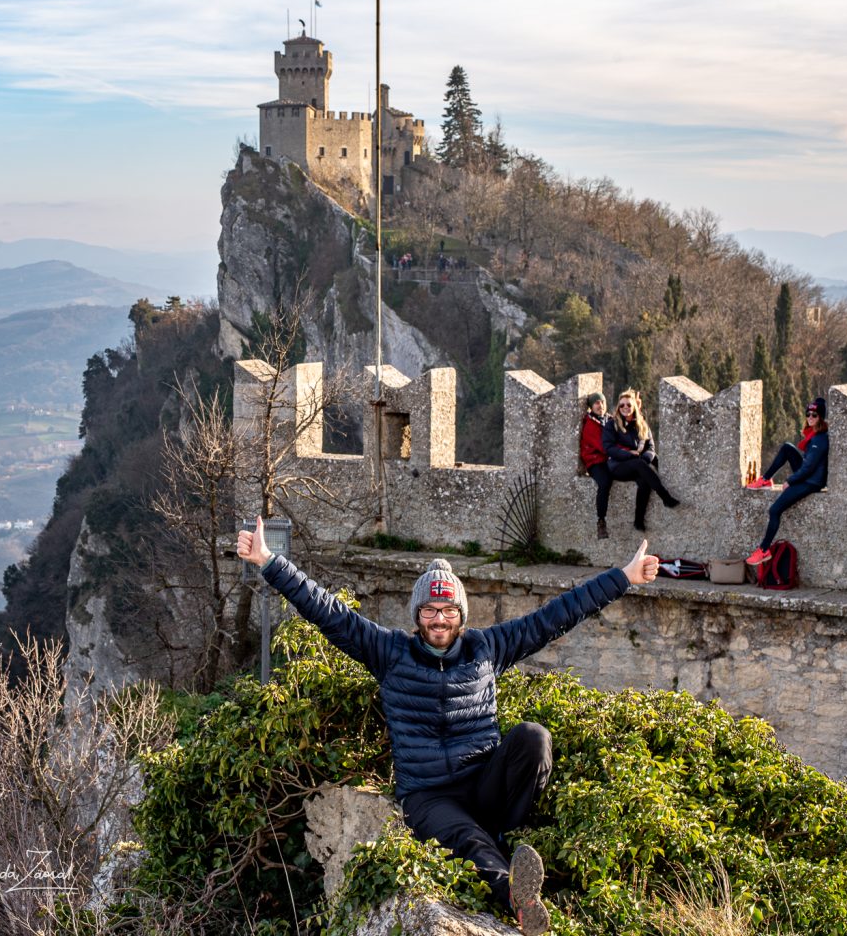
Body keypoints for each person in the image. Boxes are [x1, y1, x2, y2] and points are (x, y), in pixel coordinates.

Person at [236, 517, 660, 935]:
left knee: (533, 738)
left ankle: (510, 834)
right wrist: (270, 560)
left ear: (461, 614)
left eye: (448, 610)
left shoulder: (487, 648)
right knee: (467, 839)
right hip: (429, 795)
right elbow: (326, 611)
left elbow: (555, 617)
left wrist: (623, 577)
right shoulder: (389, 653)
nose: (439, 620)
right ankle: (517, 897)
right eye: (430, 610)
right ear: (418, 615)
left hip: (483, 782)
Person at [745, 397, 829, 566]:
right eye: (808, 414)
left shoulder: (820, 440)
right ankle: (766, 479)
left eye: (814, 415)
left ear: (821, 417)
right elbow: (806, 465)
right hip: (807, 476)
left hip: (811, 482)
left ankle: (764, 550)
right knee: (787, 448)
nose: (810, 417)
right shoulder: (814, 435)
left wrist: (790, 481)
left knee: (775, 510)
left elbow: (809, 468)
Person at [601, 389, 680, 531]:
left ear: (634, 407)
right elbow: (609, 448)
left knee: (644, 482)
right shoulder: (612, 425)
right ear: (618, 408)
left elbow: (651, 448)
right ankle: (665, 496)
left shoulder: (642, 424)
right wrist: (630, 455)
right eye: (622, 405)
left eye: (629, 405)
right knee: (639, 464)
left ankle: (638, 521)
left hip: (638, 465)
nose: (625, 408)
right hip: (617, 466)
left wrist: (645, 457)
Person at [579, 391, 612, 539]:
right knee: (604, 483)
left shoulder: (608, 419)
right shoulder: (590, 425)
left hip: (608, 459)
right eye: (597, 403)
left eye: (602, 402)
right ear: (591, 407)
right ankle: (601, 521)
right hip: (594, 462)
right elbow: (604, 447)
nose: (601, 405)